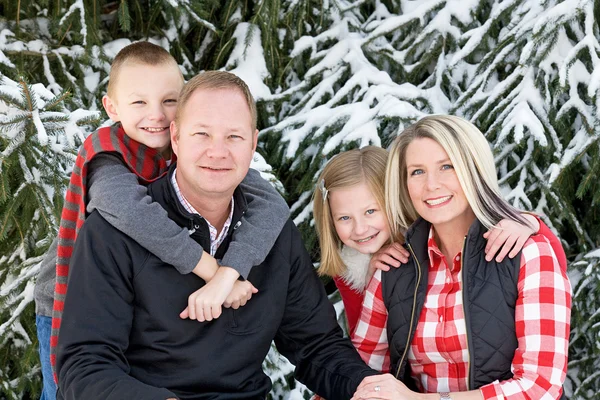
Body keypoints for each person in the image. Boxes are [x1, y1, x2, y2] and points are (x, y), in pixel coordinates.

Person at [56, 71, 379, 399]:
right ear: (176, 138)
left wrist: (369, 387)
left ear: (253, 143)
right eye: (202, 134)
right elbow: (84, 367)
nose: (218, 152)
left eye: (234, 137)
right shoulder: (114, 233)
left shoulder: (272, 232)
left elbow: (316, 345)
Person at [34, 42, 290, 399]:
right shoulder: (107, 156)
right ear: (112, 107)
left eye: (169, 101)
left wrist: (232, 271)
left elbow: (271, 204)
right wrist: (214, 272)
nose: (156, 114)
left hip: (134, 294)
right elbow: (134, 215)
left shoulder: (191, 146)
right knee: (70, 388)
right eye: (139, 102)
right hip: (69, 299)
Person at [351, 115, 571, 399]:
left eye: (447, 166)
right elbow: (362, 370)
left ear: (474, 169)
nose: (431, 185)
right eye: (417, 172)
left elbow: (539, 387)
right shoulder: (394, 266)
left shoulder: (527, 253)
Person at [313, 147, 566, 337]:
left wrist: (533, 224)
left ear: (394, 199)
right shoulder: (352, 267)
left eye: (371, 211)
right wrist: (370, 284)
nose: (360, 228)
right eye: (344, 218)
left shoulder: (434, 232)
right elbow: (366, 344)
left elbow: (553, 263)